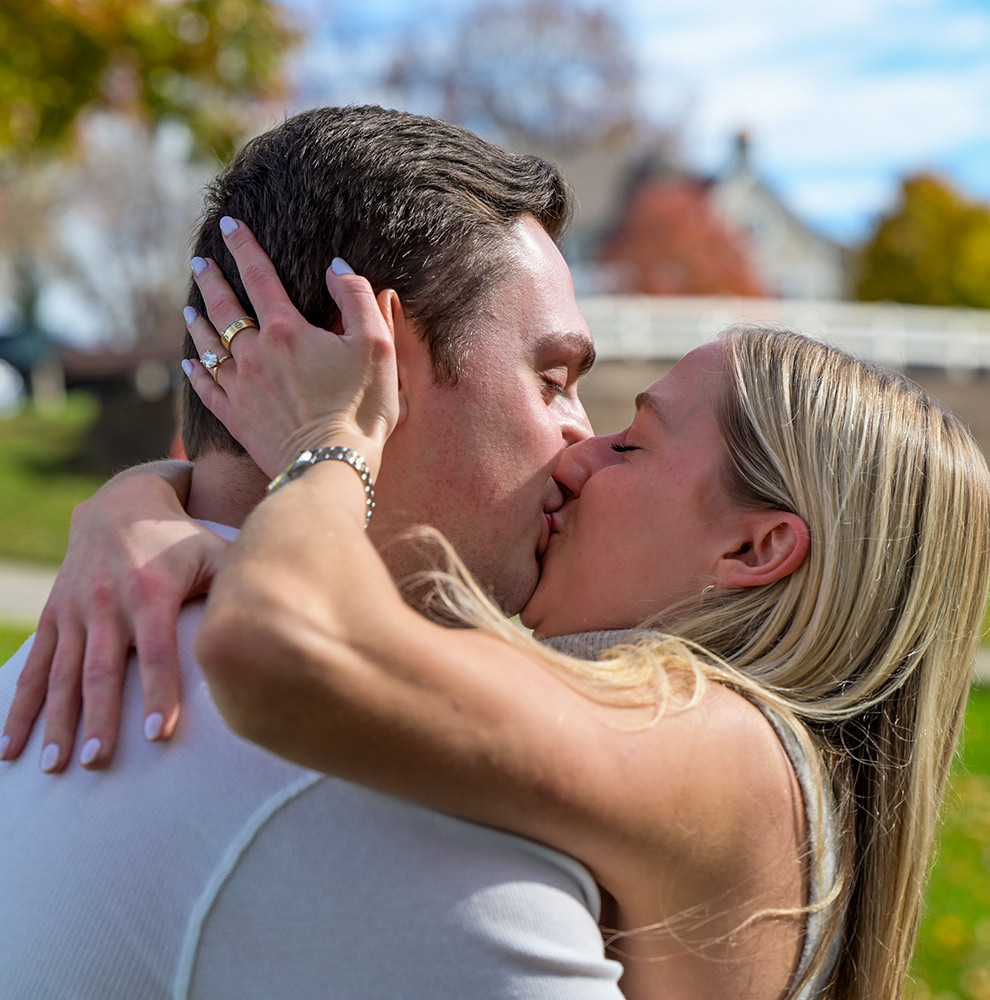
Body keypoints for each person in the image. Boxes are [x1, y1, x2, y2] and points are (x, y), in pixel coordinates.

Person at [11, 216, 990, 998]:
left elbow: (284, 648)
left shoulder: (732, 748)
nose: (578, 452)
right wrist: (143, 497)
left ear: (755, 545)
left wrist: (328, 441)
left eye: (634, 446)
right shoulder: (701, 730)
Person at [0, 106, 626, 999]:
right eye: (554, 380)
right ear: (370, 360)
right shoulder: (380, 793)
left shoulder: (37, 677)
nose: (583, 439)